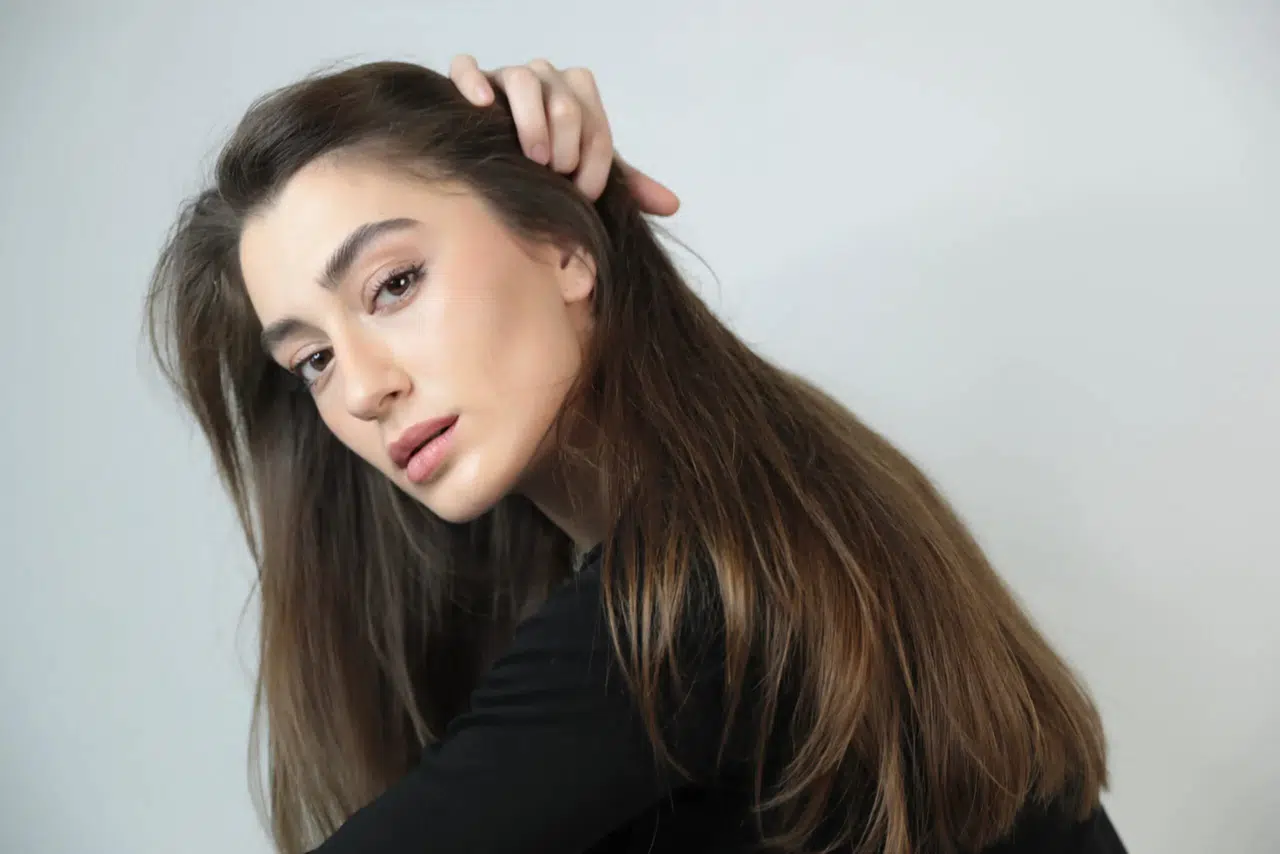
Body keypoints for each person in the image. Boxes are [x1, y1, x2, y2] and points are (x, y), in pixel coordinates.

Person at [143, 55, 1127, 854]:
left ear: (564, 246)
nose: (361, 387)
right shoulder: (777, 493)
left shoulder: (685, 607)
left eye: (393, 284)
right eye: (312, 359)